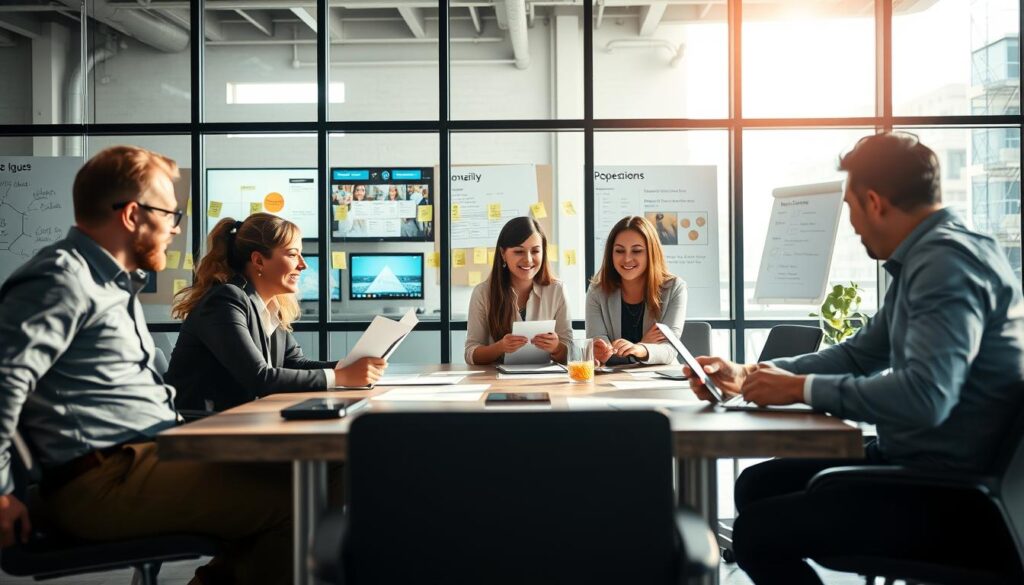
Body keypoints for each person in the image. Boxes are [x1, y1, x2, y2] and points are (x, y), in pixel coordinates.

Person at [683, 132, 1024, 585]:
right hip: (924, 465)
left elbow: (926, 396)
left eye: (849, 207)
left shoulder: (945, 265)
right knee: (755, 486)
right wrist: (750, 373)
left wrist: (800, 389)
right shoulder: (932, 256)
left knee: (756, 533)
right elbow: (860, 354)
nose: (853, 224)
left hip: (949, 496)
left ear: (874, 201)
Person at [0, 146, 297, 584]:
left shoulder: (113, 285)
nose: (176, 229)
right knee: (300, 500)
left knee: (320, 474)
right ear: (132, 215)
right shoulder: (62, 278)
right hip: (103, 482)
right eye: (170, 214)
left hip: (148, 461)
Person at [167, 213, 386, 412]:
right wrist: (342, 376)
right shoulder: (224, 301)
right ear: (259, 261)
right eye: (293, 255)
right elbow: (260, 378)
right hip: (202, 428)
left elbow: (295, 364)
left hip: (240, 419)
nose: (303, 265)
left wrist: (348, 367)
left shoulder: (269, 306)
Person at [465, 216, 571, 365]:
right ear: (503, 254)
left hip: (545, 378)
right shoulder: (483, 293)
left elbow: (570, 352)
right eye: (519, 252)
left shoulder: (557, 290)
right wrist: (500, 347)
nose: (528, 259)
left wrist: (556, 347)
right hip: (497, 381)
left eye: (535, 251)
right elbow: (471, 353)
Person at [586, 216, 687, 366]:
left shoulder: (674, 288)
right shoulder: (597, 291)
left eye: (637, 251)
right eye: (619, 251)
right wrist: (644, 343)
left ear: (651, 253)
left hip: (659, 378)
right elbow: (601, 352)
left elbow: (669, 350)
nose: (627, 259)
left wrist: (640, 349)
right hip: (614, 379)